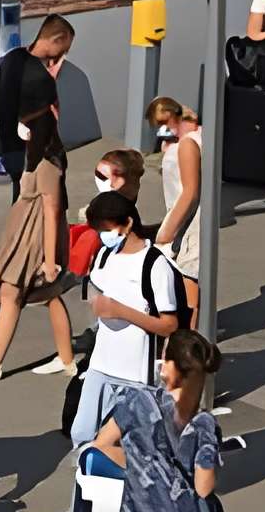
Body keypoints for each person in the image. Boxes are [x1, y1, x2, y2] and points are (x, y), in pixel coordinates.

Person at [93, 331, 223, 512]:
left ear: (171, 367)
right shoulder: (203, 425)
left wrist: (141, 462)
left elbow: (102, 444)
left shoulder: (136, 400)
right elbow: (204, 486)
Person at [0, 105, 76, 381]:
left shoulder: (47, 163)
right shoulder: (39, 156)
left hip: (32, 234)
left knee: (13, 291)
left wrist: (50, 261)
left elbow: (51, 211)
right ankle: (66, 359)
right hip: (27, 228)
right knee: (48, 295)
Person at [71, 192, 183, 474]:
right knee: (82, 433)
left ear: (128, 223)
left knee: (124, 445)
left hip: (136, 375)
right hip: (100, 364)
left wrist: (121, 311)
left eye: (107, 229)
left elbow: (170, 324)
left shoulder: (155, 265)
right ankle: (86, 502)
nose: (104, 235)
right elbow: (99, 288)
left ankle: (119, 504)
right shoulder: (104, 255)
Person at [0, 15, 73, 194]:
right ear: (56, 40)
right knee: (35, 200)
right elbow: (6, 104)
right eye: (65, 47)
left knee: (32, 199)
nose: (65, 53)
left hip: (28, 147)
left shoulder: (15, 58)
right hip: (31, 151)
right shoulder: (29, 69)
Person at [148, 97, 205, 278]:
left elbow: (190, 192)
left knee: (185, 287)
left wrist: (165, 233)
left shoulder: (187, 144)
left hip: (186, 227)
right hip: (189, 224)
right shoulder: (195, 137)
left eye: (162, 123)